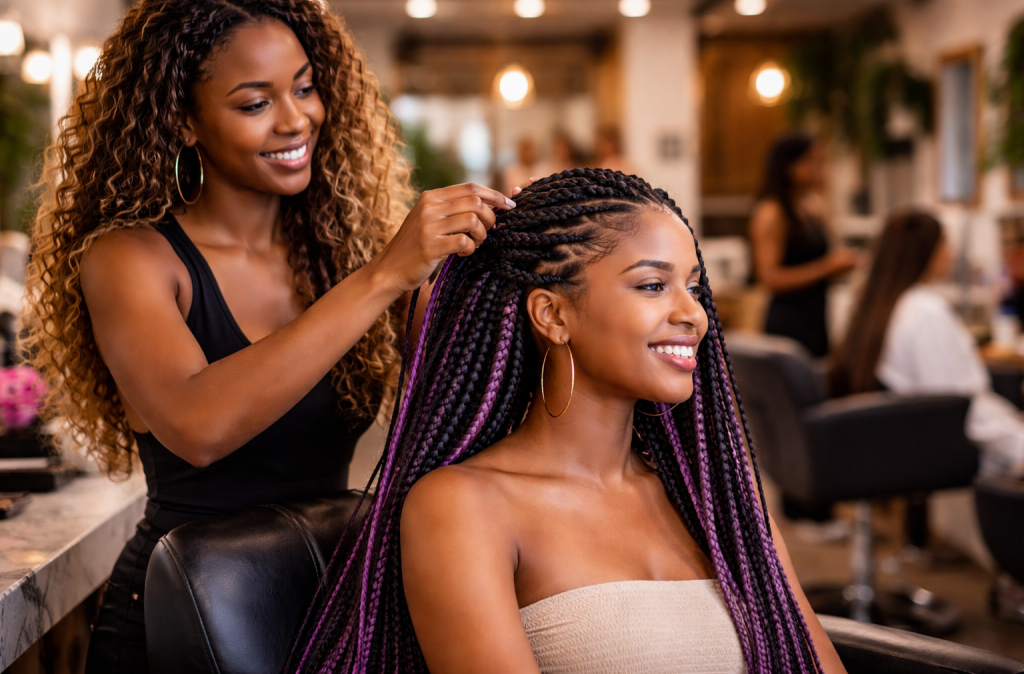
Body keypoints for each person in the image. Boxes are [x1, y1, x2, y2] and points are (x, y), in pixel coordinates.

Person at [20, 0, 514, 672]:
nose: (296, 119)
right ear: (184, 121)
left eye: (305, 88)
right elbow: (200, 423)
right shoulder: (132, 258)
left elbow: (464, 392)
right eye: (255, 104)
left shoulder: (339, 250)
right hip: (183, 616)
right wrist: (381, 277)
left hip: (325, 605)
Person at [290, 169, 847, 674]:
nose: (694, 314)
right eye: (654, 285)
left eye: (693, 286)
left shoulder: (716, 490)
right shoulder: (462, 506)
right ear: (552, 315)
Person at [831, 210, 1024, 477]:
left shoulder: (875, 305)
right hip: (938, 441)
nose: (951, 253)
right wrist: (1016, 437)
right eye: (944, 244)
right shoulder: (925, 311)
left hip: (894, 439)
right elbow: (960, 406)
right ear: (923, 252)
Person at [750, 134, 858, 359]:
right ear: (789, 166)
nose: (820, 168)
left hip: (816, 313)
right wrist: (826, 269)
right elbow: (769, 278)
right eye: (812, 161)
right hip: (789, 319)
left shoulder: (812, 205)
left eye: (822, 161)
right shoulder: (771, 212)